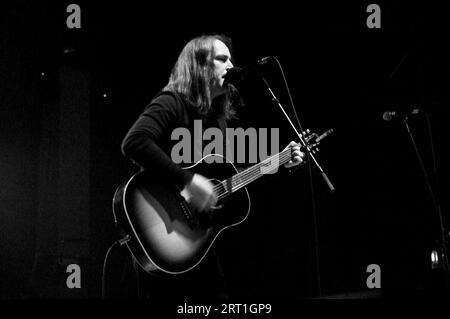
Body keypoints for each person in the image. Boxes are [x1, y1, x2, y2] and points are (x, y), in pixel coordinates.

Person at [120, 33, 305, 300]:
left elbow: (228, 181)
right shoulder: (171, 101)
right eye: (222, 59)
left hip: (197, 242)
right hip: (161, 229)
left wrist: (281, 162)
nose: (231, 65)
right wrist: (188, 181)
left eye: (231, 59)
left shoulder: (214, 120)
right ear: (199, 66)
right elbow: (134, 142)